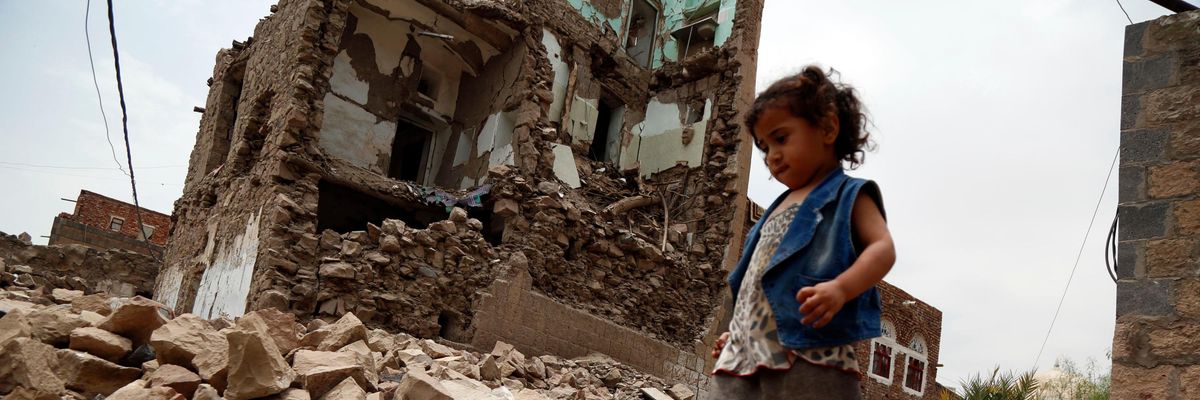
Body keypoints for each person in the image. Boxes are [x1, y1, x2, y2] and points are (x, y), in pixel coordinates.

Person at [706, 66, 895, 400]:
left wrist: (841, 288)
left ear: (827, 128)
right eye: (764, 148)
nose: (772, 157)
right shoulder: (776, 208)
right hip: (744, 356)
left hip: (809, 352)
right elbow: (755, 283)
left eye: (781, 138)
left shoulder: (849, 195)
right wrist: (737, 332)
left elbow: (882, 248)